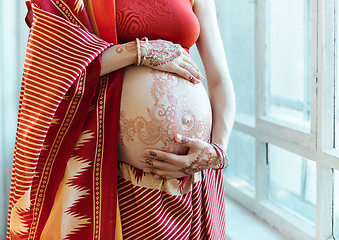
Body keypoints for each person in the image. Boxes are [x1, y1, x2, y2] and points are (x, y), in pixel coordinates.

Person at [7, 0, 235, 239]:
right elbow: (52, 62)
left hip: (192, 178)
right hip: (116, 181)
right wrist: (138, 51)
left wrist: (217, 152)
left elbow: (220, 81)